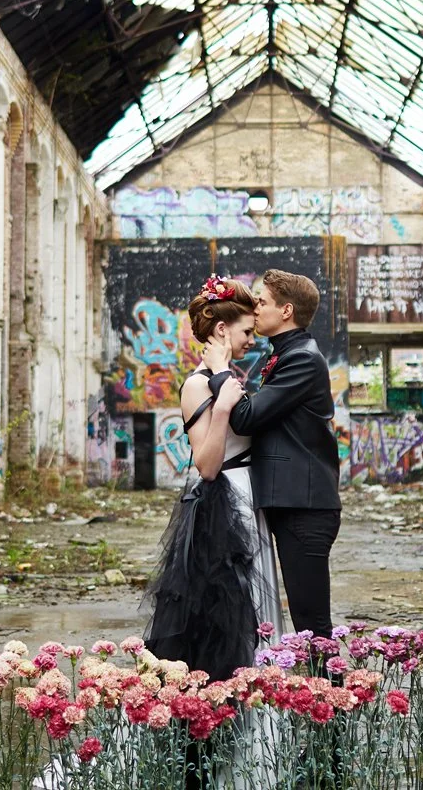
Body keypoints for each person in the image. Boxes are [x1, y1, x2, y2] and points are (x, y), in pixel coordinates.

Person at [143, 275, 283, 683]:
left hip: (245, 498)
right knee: (230, 611)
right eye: (245, 331)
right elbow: (206, 464)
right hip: (223, 506)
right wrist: (223, 408)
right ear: (221, 330)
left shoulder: (225, 378)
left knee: (257, 605)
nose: (251, 340)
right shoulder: (196, 384)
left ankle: (261, 720)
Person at [205, 269, 340, 640]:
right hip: (295, 504)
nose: (256, 308)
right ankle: (325, 694)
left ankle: (336, 698)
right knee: (308, 622)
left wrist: (219, 371)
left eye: (262, 302)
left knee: (312, 624)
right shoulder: (288, 355)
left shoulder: (301, 359)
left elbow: (247, 418)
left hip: (305, 507)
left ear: (286, 311)